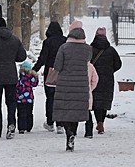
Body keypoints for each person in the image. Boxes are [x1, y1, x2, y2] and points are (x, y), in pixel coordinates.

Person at [52, 20, 93, 152]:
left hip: (65, 84)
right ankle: (73, 134)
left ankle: (68, 133)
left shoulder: (63, 48)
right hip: (81, 84)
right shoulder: (87, 49)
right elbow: (87, 62)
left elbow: (57, 66)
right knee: (75, 112)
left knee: (64, 112)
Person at [86, 27, 122, 135]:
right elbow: (118, 64)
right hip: (107, 79)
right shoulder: (111, 50)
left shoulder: (90, 49)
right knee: (104, 101)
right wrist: (110, 70)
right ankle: (101, 122)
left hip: (93, 79)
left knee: (96, 101)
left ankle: (97, 121)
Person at [32, 21, 67, 134]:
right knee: (60, 99)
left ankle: (50, 123)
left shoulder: (48, 42)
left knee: (50, 98)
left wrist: (34, 70)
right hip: (62, 72)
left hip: (50, 72)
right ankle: (60, 124)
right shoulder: (64, 41)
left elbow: (43, 58)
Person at [16, 61, 39, 134]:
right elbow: (35, 84)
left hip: (20, 98)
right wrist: (36, 77)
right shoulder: (31, 77)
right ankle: (29, 126)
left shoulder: (20, 77)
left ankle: (21, 127)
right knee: (29, 112)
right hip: (29, 98)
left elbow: (16, 85)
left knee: (21, 113)